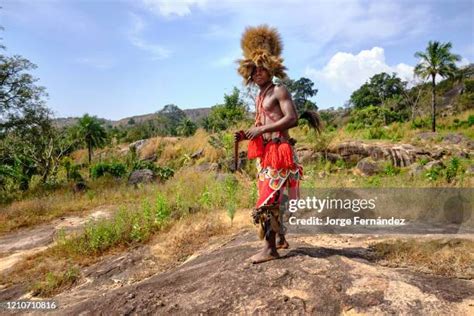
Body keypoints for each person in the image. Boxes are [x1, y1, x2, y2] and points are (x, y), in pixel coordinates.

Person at [235, 25, 319, 264]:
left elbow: (291, 118)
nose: (258, 73)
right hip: (266, 152)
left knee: (269, 200)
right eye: (254, 70)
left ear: (271, 69)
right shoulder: (260, 96)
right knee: (273, 197)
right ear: (249, 74)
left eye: (262, 68)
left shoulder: (278, 90)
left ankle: (270, 249)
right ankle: (279, 237)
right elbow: (264, 122)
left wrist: (261, 129)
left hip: (279, 152)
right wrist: (248, 134)